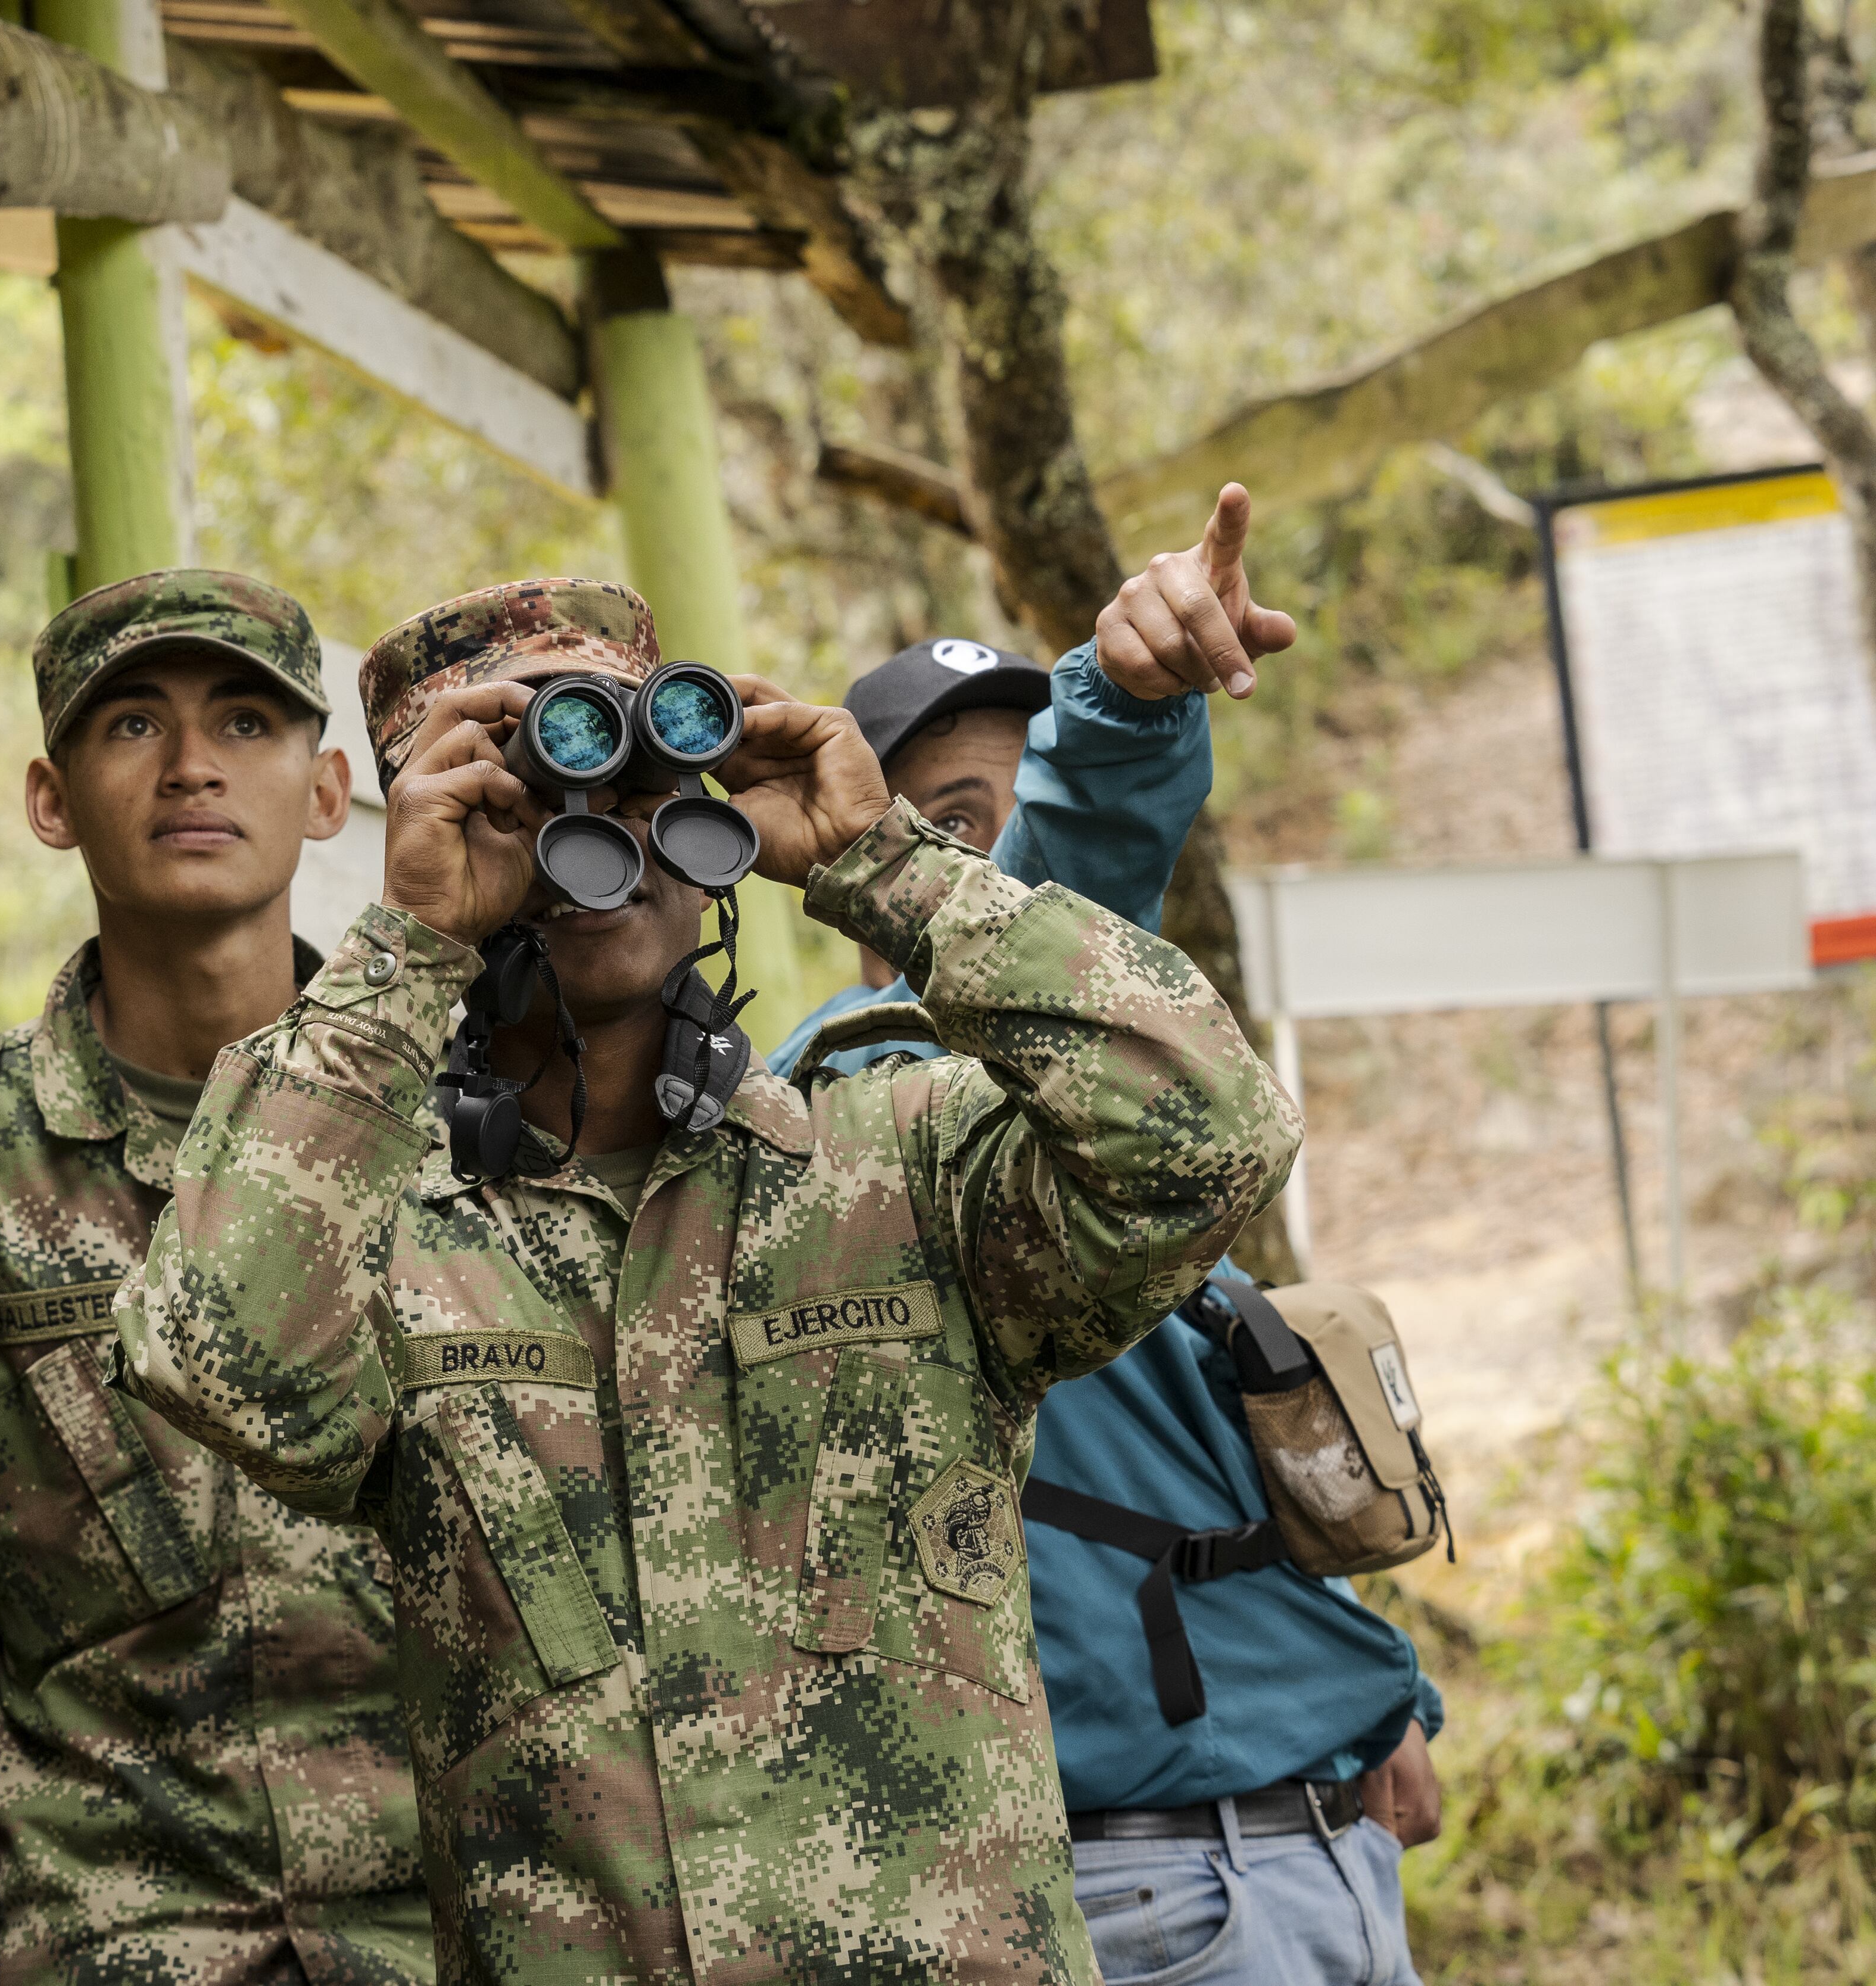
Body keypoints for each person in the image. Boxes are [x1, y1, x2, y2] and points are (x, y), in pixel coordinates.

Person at [108, 513, 1307, 1983]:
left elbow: (1210, 1137)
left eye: (636, 776)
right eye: (516, 791)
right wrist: (407, 944)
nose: (594, 838)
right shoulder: (384, 1239)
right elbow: (219, 1361)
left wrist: (884, 862)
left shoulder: (900, 1159)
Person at [772, 496, 1444, 1986]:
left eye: (1024, 798)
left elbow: (1199, 1481)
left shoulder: (1115, 1151)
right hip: (1158, 1889)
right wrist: (1123, 716)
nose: (991, 864)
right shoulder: (861, 1106)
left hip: (1302, 1844)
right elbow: (1046, 897)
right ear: (853, 862)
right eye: (949, 826)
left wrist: (1373, 1692)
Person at [0, 574, 434, 1984]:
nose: (193, 765)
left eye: (247, 723)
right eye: (133, 724)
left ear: (327, 792)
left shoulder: (459, 1133)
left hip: (448, 1941)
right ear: (52, 800)